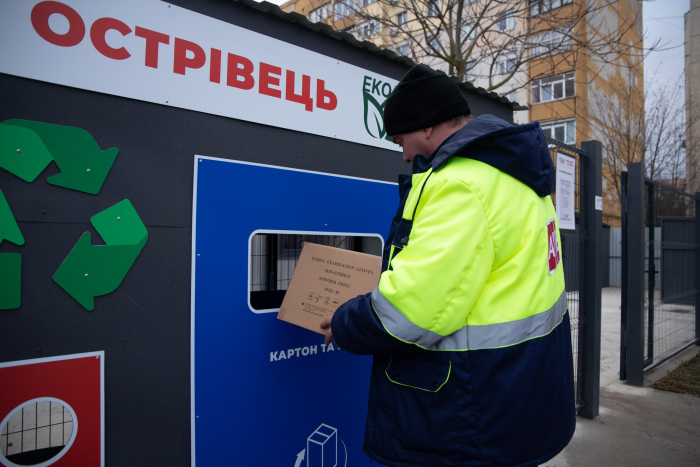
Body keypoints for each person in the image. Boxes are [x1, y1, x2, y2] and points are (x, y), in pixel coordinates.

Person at [320, 64, 575, 467]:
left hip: (476, 411)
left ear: (424, 127)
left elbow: (411, 311)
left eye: (401, 139)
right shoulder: (518, 177)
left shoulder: (461, 185)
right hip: (524, 391)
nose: (404, 154)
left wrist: (345, 321)